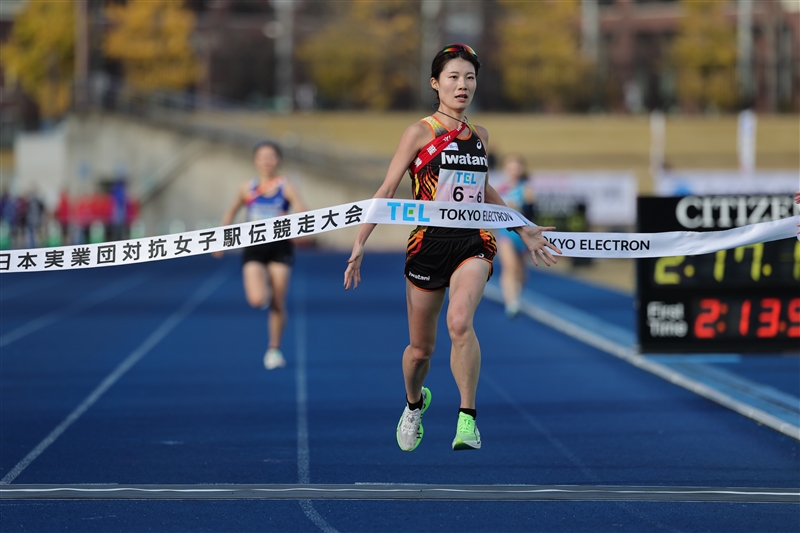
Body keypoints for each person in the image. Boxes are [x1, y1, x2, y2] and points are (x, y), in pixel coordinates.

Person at [343, 44, 561, 452]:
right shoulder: (419, 132)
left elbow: (485, 189)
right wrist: (360, 241)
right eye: (454, 78)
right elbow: (388, 189)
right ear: (435, 83)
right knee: (420, 351)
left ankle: (467, 419)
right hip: (427, 245)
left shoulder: (480, 136)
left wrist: (523, 227)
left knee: (460, 322)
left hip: (472, 242)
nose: (463, 86)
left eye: (470, 78)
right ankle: (413, 403)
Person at [216, 141, 307, 370]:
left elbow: (303, 211)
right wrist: (220, 239)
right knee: (257, 299)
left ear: (278, 160)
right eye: (262, 156)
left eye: (271, 157)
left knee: (278, 301)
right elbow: (231, 211)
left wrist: (295, 222)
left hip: (280, 248)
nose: (267, 161)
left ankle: (274, 348)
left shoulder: (286, 185)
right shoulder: (247, 187)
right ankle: (263, 284)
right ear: (256, 160)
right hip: (254, 247)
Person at [493, 154, 535, 318]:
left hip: (523, 234)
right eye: (510, 167)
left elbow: (532, 213)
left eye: (517, 167)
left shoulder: (526, 188)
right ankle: (511, 302)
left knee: (521, 272)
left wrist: (523, 204)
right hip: (505, 233)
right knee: (509, 267)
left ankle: (516, 294)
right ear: (505, 169)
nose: (514, 170)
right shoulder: (499, 189)